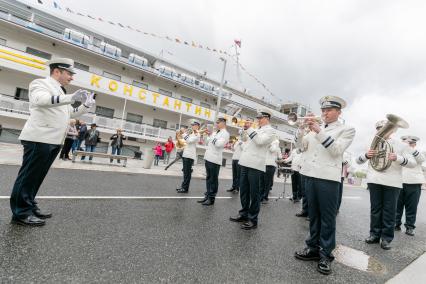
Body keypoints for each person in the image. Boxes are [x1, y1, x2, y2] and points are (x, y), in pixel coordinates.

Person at [10, 58, 94, 226]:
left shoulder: (61, 92)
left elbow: (70, 113)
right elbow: (40, 101)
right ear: (57, 71)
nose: (71, 78)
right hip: (38, 138)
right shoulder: (40, 84)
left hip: (53, 140)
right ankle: (20, 213)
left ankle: (30, 205)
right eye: (69, 74)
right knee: (28, 177)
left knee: (37, 177)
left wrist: (85, 106)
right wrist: (71, 97)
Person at [294, 96, 355, 275]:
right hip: (310, 176)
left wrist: (318, 130)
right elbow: (301, 147)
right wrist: (300, 131)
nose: (325, 113)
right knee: (313, 215)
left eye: (329, 110)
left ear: (338, 112)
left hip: (328, 178)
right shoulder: (313, 130)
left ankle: (326, 255)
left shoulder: (347, 129)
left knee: (327, 219)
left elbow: (336, 150)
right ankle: (312, 248)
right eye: (323, 110)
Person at [356, 120, 415, 250]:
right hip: (374, 179)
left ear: (392, 130)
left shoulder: (400, 145)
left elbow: (412, 163)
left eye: (385, 129)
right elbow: (357, 160)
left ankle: (386, 238)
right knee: (375, 209)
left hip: (392, 182)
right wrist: (366, 155)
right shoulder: (371, 142)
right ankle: (374, 235)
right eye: (379, 129)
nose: (381, 131)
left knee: (389, 211)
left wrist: (398, 158)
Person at [229, 109, 276, 230]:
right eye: (258, 118)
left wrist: (249, 128)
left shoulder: (271, 131)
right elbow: (246, 141)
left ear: (267, 118)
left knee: (254, 194)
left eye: (260, 118)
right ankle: (243, 214)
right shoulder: (257, 130)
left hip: (256, 165)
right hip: (245, 161)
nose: (258, 120)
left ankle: (253, 219)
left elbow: (260, 141)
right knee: (244, 191)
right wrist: (245, 130)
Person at [395, 136, 425, 236]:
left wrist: (410, 149)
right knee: (397, 206)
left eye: (410, 143)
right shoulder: (399, 151)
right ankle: (396, 224)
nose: (407, 144)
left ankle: (410, 227)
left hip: (414, 182)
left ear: (414, 144)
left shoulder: (419, 152)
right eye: (406, 142)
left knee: (412, 207)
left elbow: (421, 160)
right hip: (399, 181)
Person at [198, 116, 230, 206]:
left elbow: (219, 144)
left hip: (215, 159)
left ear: (223, 123)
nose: (216, 124)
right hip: (208, 157)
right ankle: (207, 196)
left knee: (213, 179)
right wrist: (207, 135)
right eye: (216, 122)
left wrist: (212, 137)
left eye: (218, 122)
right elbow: (208, 142)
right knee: (208, 178)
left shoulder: (225, 133)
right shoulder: (215, 132)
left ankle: (211, 198)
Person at [176, 120, 201, 193]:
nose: (192, 126)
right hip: (186, 154)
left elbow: (189, 141)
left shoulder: (197, 134)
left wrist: (184, 133)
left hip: (189, 155)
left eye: (193, 125)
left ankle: (185, 188)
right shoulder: (192, 133)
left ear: (197, 126)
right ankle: (183, 186)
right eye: (192, 125)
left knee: (187, 173)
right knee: (185, 172)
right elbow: (185, 141)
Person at [260, 136, 281, 203]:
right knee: (263, 181)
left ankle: (264, 197)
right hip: (265, 164)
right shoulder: (271, 146)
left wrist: (273, 143)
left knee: (266, 182)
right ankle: (261, 196)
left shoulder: (274, 146)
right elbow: (279, 157)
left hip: (270, 165)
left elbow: (274, 151)